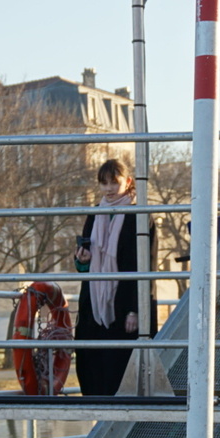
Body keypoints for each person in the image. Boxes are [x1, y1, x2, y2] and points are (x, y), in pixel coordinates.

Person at [73, 158, 141, 396]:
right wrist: (82, 261)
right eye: (104, 183)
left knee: (119, 370)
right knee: (92, 367)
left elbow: (144, 265)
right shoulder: (94, 215)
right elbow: (84, 265)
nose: (109, 189)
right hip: (94, 304)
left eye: (115, 182)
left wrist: (135, 310)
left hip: (122, 306)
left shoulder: (140, 215)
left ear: (128, 182)